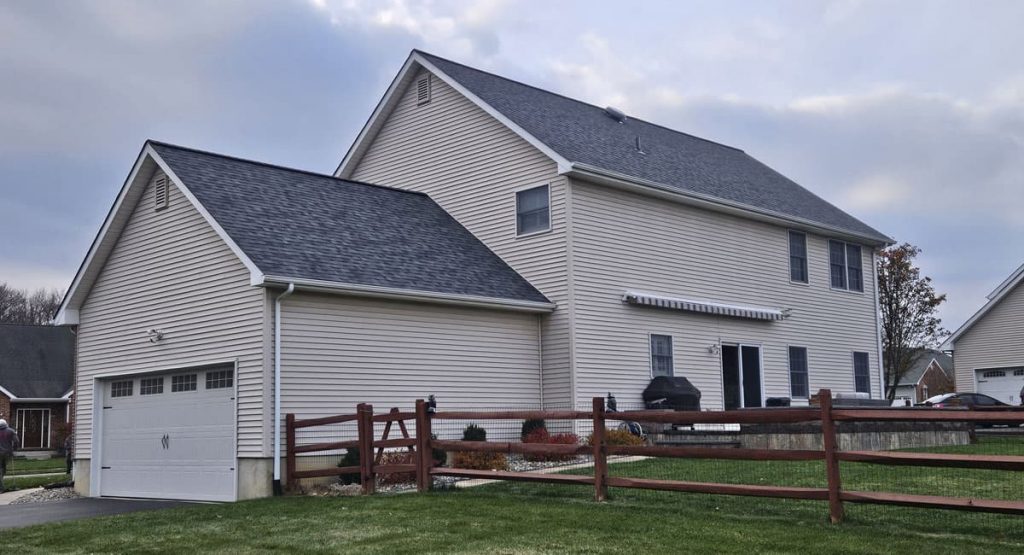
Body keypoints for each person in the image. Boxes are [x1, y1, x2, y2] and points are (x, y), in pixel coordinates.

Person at [0, 419, 21, 493]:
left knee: (1, 469)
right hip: (8, 453)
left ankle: (1, 487)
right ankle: (1, 485)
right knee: (3, 468)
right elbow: (16, 441)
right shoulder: (11, 431)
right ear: (6, 424)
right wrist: (14, 449)